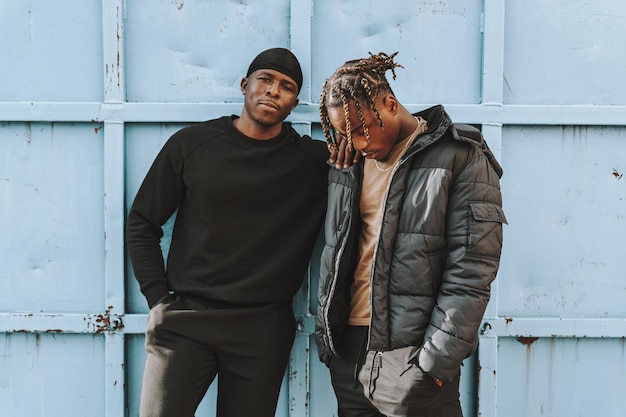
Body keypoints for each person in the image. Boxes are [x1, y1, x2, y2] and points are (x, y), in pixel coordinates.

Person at [126, 47, 356, 417]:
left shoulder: (313, 161)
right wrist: (158, 298)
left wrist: (350, 138)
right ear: (245, 85)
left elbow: (368, 153)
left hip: (261, 328)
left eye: (286, 86)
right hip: (185, 319)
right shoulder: (192, 145)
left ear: (294, 104)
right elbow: (142, 221)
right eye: (265, 80)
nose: (273, 90)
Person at [315, 52, 507, 417]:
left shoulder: (459, 156)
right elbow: (338, 249)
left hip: (414, 353)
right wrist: (331, 347)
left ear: (388, 104)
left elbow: (472, 270)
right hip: (350, 351)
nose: (355, 142)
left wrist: (434, 365)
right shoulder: (350, 164)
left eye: (361, 129)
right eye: (344, 134)